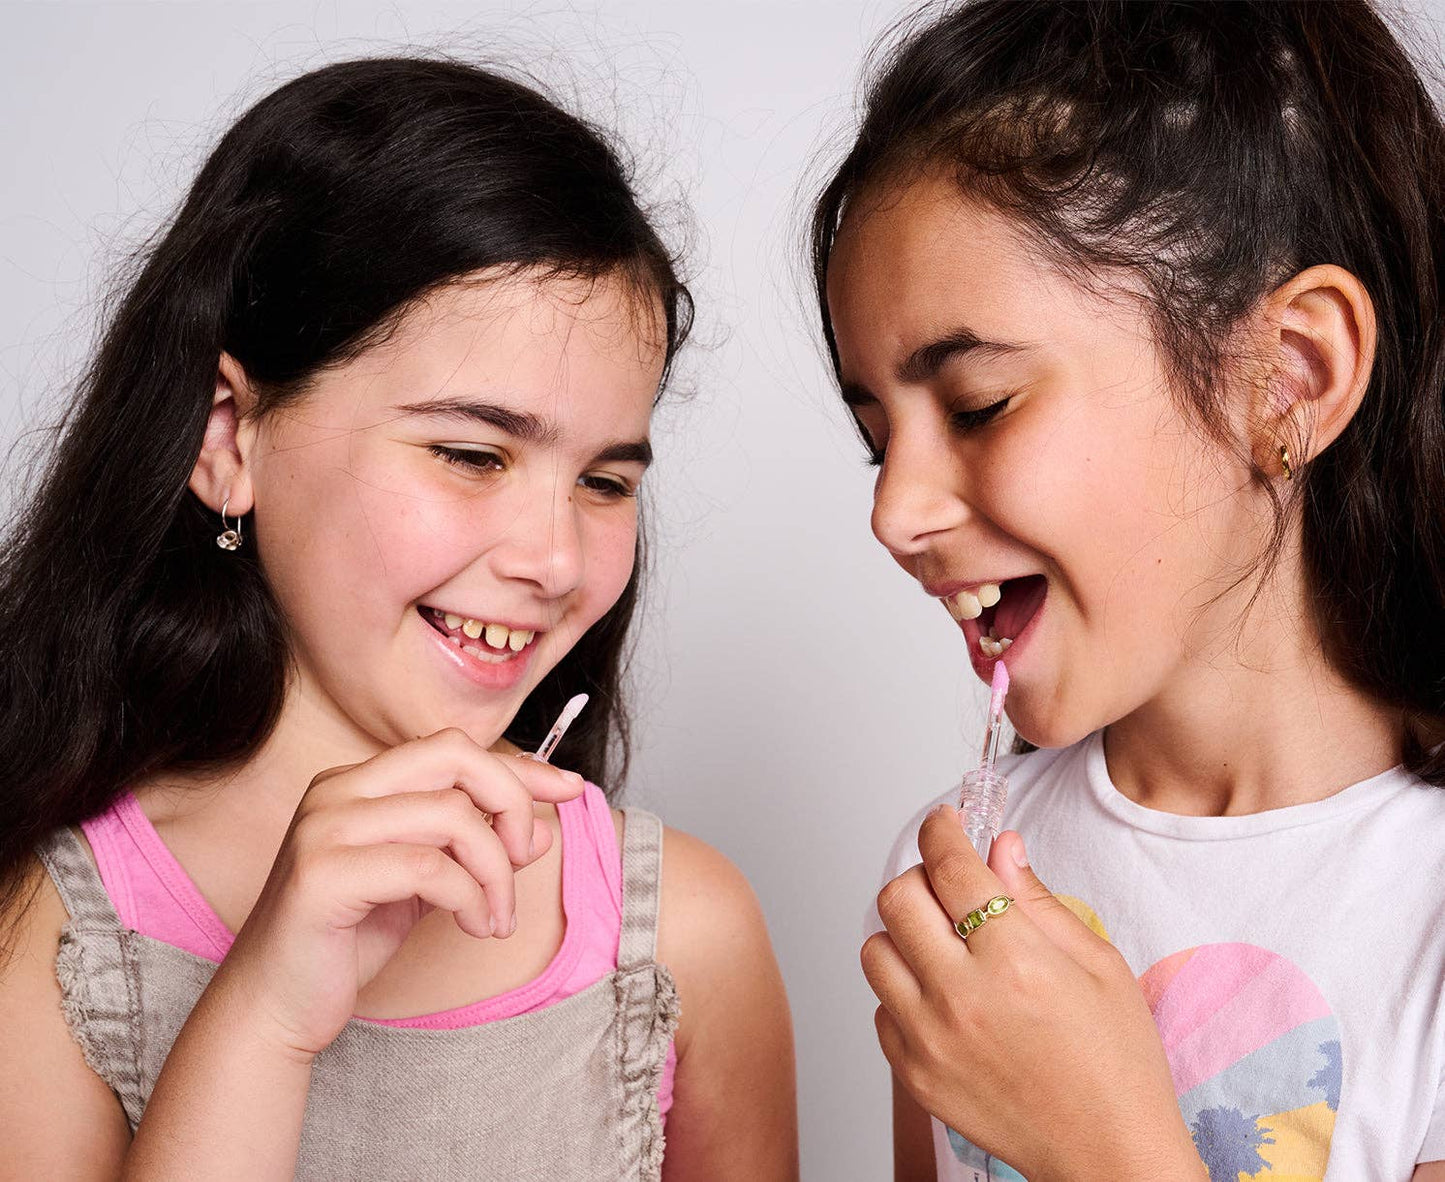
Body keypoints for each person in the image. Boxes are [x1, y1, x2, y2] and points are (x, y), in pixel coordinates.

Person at [0, 56, 797, 1180]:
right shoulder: (51, 938)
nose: (552, 558)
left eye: (606, 482)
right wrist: (264, 1015)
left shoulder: (684, 941)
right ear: (228, 437)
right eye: (471, 454)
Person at [811, 1, 1445, 1178]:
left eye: (977, 406)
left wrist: (1098, 1146)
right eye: (873, 439)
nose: (892, 514)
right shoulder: (946, 879)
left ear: (1287, 379)